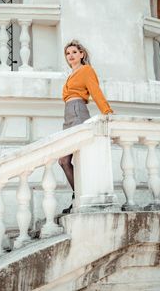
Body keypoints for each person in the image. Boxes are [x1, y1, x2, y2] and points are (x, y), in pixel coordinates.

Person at [59, 40, 114, 213]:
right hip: (68, 114)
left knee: (68, 159)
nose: (71, 56)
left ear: (82, 54)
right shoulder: (70, 75)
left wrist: (107, 111)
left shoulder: (86, 70)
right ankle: (78, 195)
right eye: (68, 53)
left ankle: (80, 196)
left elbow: (95, 91)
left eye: (74, 52)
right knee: (63, 161)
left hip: (77, 111)